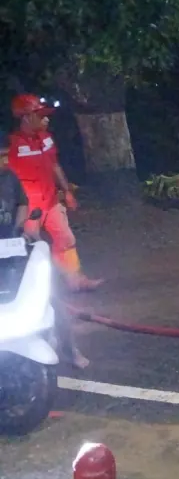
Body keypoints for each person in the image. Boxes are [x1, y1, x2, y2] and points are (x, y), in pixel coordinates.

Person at [1, 144, 89, 368]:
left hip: (12, 246)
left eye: (5, 156)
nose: (4, 161)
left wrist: (21, 228)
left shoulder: (9, 177)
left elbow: (23, 203)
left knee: (51, 296)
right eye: (0, 157)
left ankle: (70, 350)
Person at [6, 94, 102, 291]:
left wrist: (67, 191)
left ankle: (75, 280)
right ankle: (34, 288)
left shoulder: (47, 139)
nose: (46, 119)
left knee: (66, 240)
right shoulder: (11, 144)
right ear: (25, 118)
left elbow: (54, 165)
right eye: (40, 116)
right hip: (28, 206)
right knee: (30, 245)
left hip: (50, 201)